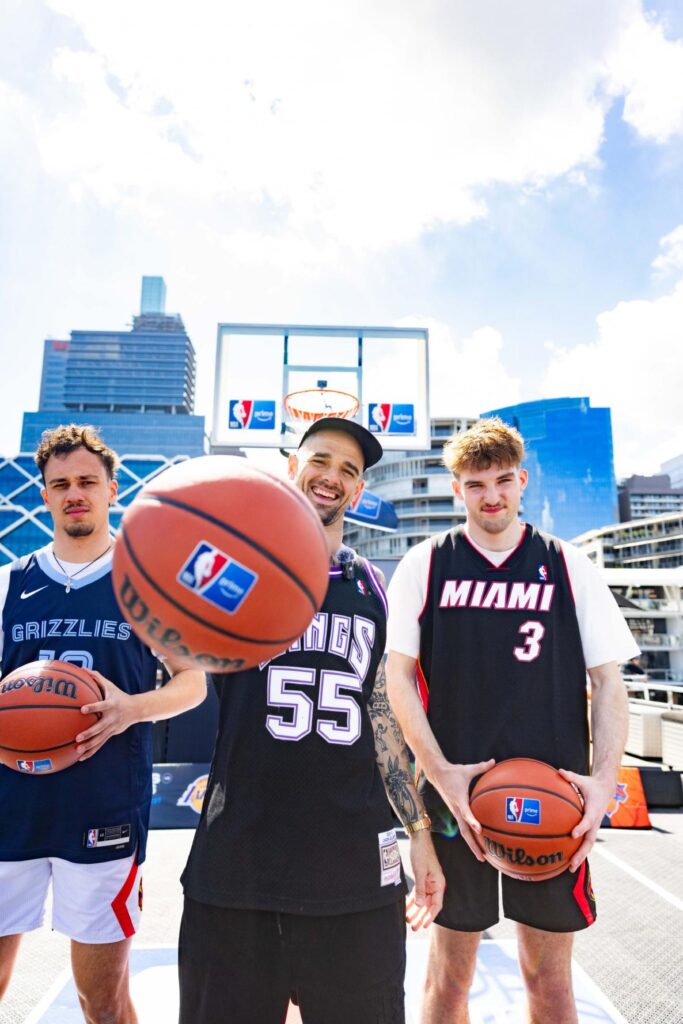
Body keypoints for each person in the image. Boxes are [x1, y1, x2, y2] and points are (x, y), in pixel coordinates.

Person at [179, 416, 445, 1024]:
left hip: (352, 866)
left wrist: (421, 834)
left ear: (356, 493)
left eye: (349, 471)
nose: (332, 477)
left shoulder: (374, 588)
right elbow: (176, 652)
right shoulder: (233, 568)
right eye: (320, 460)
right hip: (238, 862)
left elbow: (385, 719)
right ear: (291, 468)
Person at [385, 417, 639, 1024]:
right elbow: (396, 679)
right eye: (475, 485)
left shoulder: (569, 565)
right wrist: (440, 772)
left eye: (503, 480)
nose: (491, 496)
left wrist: (604, 783)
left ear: (522, 480)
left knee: (549, 980)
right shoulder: (426, 564)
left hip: (553, 802)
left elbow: (608, 682)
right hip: (455, 805)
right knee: (449, 979)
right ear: (456, 490)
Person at [0, 425, 206, 1024]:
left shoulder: (148, 582)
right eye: (60, 484)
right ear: (43, 495)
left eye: (87, 481)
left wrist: (131, 709)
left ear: (112, 489)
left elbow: (193, 684)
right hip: (10, 808)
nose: (75, 494)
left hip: (104, 812)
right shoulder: (11, 583)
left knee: (102, 1000)